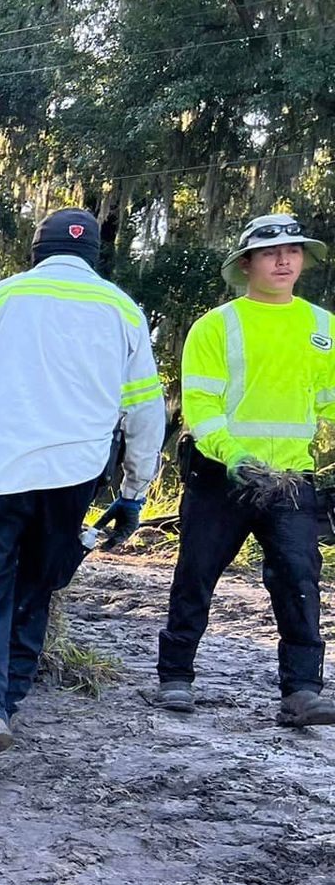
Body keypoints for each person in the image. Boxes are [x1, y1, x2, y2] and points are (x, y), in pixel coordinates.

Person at [0, 208, 165, 775]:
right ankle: (6, 708)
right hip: (72, 477)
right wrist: (135, 490)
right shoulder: (121, 309)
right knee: (35, 588)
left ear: (36, 251)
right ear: (94, 257)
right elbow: (144, 412)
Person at [154, 213, 335, 726]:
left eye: (294, 251)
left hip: (292, 479)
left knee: (300, 580)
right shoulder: (216, 326)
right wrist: (234, 456)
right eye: (271, 252)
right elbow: (203, 407)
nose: (285, 260)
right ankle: (176, 678)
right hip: (221, 476)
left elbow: (331, 402)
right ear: (247, 264)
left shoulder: (324, 327)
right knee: (197, 573)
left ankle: (302, 691)